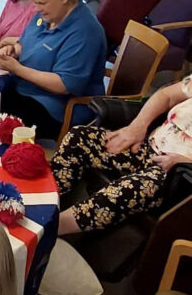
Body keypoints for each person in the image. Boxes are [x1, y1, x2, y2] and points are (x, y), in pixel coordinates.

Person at [53, 77, 192, 236]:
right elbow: (167, 96)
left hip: (178, 174)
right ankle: (47, 202)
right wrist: (137, 127)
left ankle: (52, 228)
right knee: (79, 138)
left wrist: (183, 161)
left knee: (131, 188)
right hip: (149, 146)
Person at [0, 0, 107, 139]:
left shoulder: (85, 31)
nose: (36, 9)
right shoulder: (48, 14)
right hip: (26, 88)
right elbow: (27, 44)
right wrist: (14, 50)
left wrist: (18, 69)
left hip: (57, 107)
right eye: (35, 3)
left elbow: (64, 85)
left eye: (42, 3)